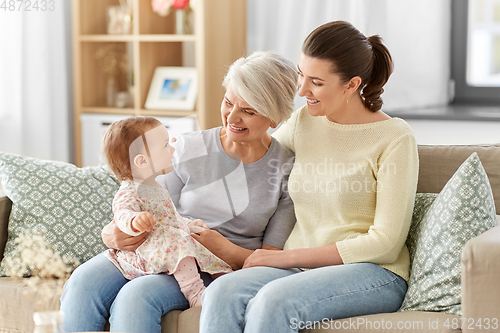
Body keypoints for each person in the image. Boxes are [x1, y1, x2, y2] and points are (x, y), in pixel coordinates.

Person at [199, 20, 419, 333]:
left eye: (315, 81)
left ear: (351, 85)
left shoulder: (395, 138)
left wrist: (285, 258)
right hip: (301, 268)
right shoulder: (304, 122)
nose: (301, 90)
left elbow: (385, 243)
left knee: (274, 301)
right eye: (301, 74)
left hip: (373, 272)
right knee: (222, 292)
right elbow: (253, 155)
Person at [61, 50, 298, 333]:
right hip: (161, 246)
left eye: (248, 111)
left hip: (211, 267)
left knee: (137, 297)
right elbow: (148, 203)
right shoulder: (188, 147)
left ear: (275, 117)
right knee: (81, 283)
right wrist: (112, 233)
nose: (232, 117)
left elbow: (270, 258)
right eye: (228, 102)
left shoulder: (286, 169)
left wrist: (223, 247)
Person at [101, 116, 233, 308]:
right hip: (147, 253)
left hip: (165, 243)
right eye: (164, 145)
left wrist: (188, 224)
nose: (172, 148)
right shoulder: (129, 191)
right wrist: (134, 221)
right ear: (142, 161)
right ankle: (195, 292)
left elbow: (170, 217)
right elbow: (122, 213)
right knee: (179, 242)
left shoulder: (156, 187)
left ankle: (225, 279)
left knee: (199, 240)